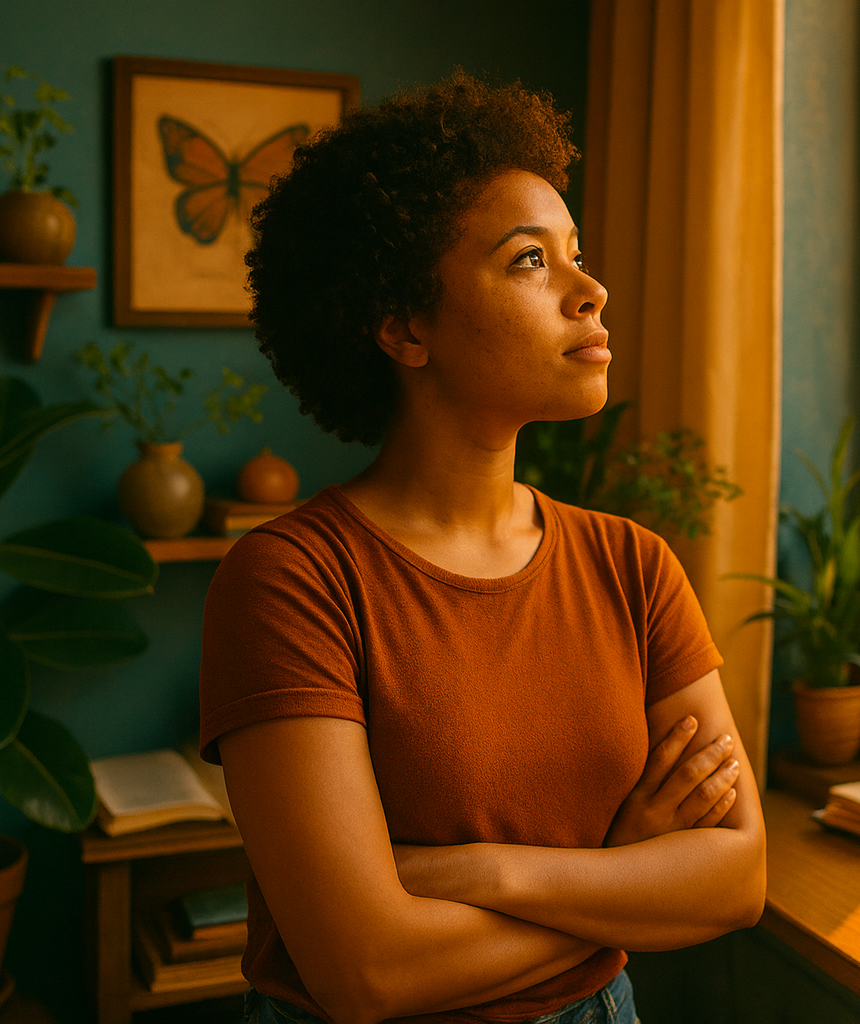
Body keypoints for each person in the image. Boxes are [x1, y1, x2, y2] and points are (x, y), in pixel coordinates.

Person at [199, 72, 766, 1024]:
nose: (590, 293)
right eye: (529, 261)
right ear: (405, 326)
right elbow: (365, 973)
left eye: (575, 255)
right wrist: (625, 873)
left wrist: (485, 872)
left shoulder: (634, 566)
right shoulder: (291, 581)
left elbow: (737, 879)